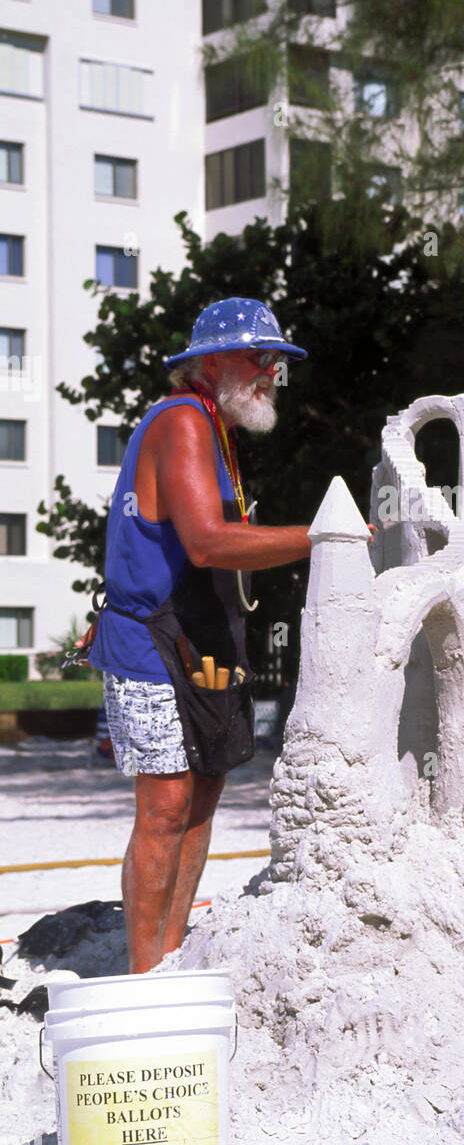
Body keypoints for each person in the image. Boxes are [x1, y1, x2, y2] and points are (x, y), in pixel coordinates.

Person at [89, 298, 315, 973]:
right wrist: (320, 536)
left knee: (201, 797)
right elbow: (209, 543)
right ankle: (143, 972)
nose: (272, 371)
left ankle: (169, 953)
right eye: (259, 356)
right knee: (165, 807)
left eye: (276, 359)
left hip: (196, 637)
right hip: (151, 642)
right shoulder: (184, 422)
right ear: (209, 362)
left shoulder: (213, 427)